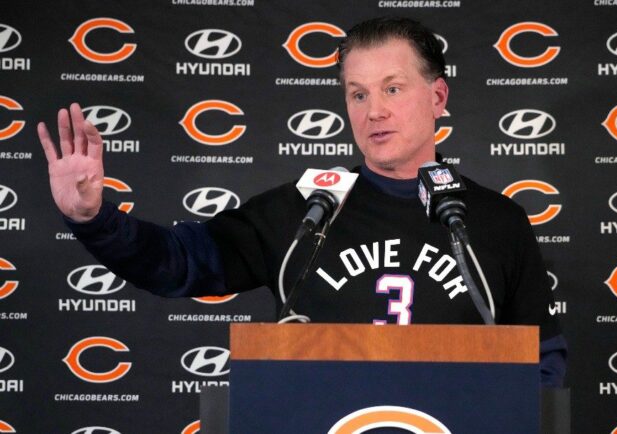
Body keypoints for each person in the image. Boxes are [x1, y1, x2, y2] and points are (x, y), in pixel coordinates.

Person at [37, 17, 567, 386]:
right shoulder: (309, 208)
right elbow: (178, 263)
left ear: (438, 97)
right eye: (357, 94)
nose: (373, 110)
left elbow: (544, 363)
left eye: (392, 88)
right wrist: (93, 217)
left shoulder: (497, 221)